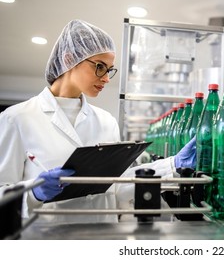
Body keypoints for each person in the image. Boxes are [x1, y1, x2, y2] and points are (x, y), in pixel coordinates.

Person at [0, 19, 197, 224]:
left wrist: (172, 166)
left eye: (109, 69)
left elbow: (116, 187)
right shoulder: (17, 118)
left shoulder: (106, 121)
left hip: (102, 237)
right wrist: (34, 192)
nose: (106, 78)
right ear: (69, 59)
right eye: (100, 67)